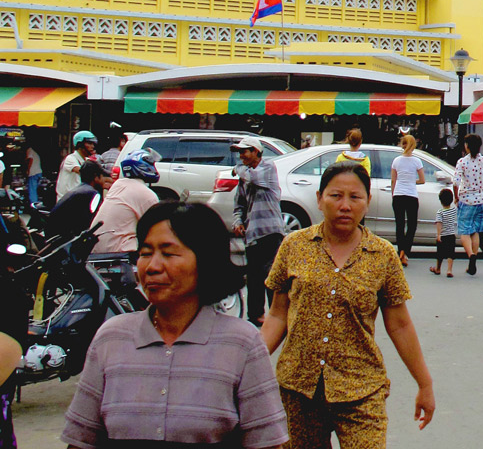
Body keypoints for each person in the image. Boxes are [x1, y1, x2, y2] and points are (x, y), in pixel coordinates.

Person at [62, 201, 289, 449]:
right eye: (145, 253)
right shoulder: (112, 337)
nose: (152, 266)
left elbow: (266, 443)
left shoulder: (241, 343)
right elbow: (81, 440)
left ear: (205, 261)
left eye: (168, 253)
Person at [263, 162, 436, 447]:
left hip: (361, 389)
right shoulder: (293, 246)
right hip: (298, 390)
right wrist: (246, 368)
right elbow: (277, 316)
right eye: (335, 196)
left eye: (355, 197)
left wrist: (424, 384)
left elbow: (400, 324)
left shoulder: (382, 255)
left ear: (367, 202)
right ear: (319, 199)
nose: (345, 205)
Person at [231, 135, 288, 326]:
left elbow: (253, 177)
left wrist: (237, 169)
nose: (241, 156)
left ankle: (276, 316)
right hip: (252, 233)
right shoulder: (244, 176)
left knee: (272, 274)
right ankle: (256, 315)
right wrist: (238, 222)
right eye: (239, 152)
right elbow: (239, 204)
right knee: (254, 277)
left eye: (244, 152)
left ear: (256, 152)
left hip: (270, 230)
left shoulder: (267, 167)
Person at [92, 148, 160, 253]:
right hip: (120, 251)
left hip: (95, 248)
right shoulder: (147, 194)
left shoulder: (118, 185)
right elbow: (157, 228)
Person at [453, 133, 483, 276]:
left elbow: (455, 182)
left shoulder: (462, 162)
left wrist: (456, 197)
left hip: (467, 200)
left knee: (465, 231)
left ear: (467, 146)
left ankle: (470, 254)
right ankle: (474, 258)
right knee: (476, 231)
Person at [44, 159, 109, 244]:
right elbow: (90, 222)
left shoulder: (81, 190)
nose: (104, 180)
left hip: (54, 236)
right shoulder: (92, 193)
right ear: (96, 176)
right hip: (62, 240)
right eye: (103, 176)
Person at [390, 133, 426, 266]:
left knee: (399, 225)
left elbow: (393, 180)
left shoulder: (396, 161)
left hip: (398, 194)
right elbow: (422, 180)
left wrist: (394, 194)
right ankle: (406, 252)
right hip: (411, 195)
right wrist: (412, 180)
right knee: (412, 225)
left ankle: (400, 250)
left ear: (402, 144)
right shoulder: (417, 161)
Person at [57, 129, 96, 201]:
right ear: (80, 144)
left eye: (93, 144)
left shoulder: (86, 160)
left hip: (78, 198)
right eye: (89, 143)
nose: (92, 146)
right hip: (66, 200)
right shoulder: (71, 158)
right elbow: (83, 171)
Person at [429, 188, 457, 277]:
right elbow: (457, 204)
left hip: (443, 235)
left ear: (440, 200)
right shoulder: (453, 210)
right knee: (451, 253)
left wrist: (438, 234)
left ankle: (438, 268)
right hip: (451, 235)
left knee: (440, 253)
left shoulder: (440, 212)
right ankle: (449, 270)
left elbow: (439, 223)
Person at [23, 140, 41, 209]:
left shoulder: (29, 150)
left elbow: (30, 159)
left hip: (33, 173)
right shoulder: (34, 152)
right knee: (34, 190)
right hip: (38, 172)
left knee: (32, 191)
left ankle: (34, 207)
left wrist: (28, 170)